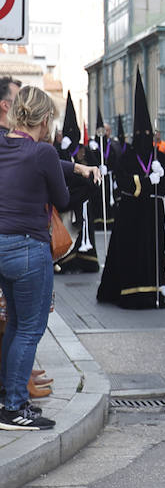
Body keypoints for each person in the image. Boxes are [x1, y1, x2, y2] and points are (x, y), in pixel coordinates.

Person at [1, 87, 99, 430]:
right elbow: (62, 199)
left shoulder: (3, 143)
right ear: (45, 120)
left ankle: (11, 398)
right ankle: (13, 408)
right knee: (30, 328)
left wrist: (76, 166)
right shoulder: (42, 151)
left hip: (2, 247)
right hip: (29, 248)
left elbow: (43, 161)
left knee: (14, 323)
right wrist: (89, 185)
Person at [97, 70, 165, 309]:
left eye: (148, 135)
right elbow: (123, 181)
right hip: (132, 214)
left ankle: (157, 289)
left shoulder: (159, 155)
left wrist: (162, 178)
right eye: (141, 135)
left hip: (153, 213)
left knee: (155, 251)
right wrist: (144, 181)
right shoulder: (127, 155)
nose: (145, 138)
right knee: (132, 252)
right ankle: (131, 292)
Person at [54, 94, 101, 274]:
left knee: (86, 226)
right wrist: (62, 151)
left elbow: (93, 165)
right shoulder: (60, 150)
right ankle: (66, 261)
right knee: (68, 227)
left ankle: (87, 260)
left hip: (84, 197)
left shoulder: (84, 150)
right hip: (70, 195)